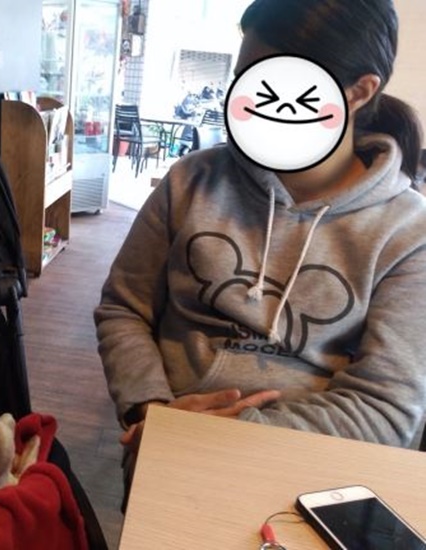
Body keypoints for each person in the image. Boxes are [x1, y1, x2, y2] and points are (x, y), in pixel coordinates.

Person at [94, 0, 426, 509]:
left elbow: (386, 407)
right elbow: (123, 308)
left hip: (313, 480)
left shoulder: (408, 232)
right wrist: (151, 411)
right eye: (245, 79)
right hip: (165, 451)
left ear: (359, 92)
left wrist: (215, 434)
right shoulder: (189, 183)